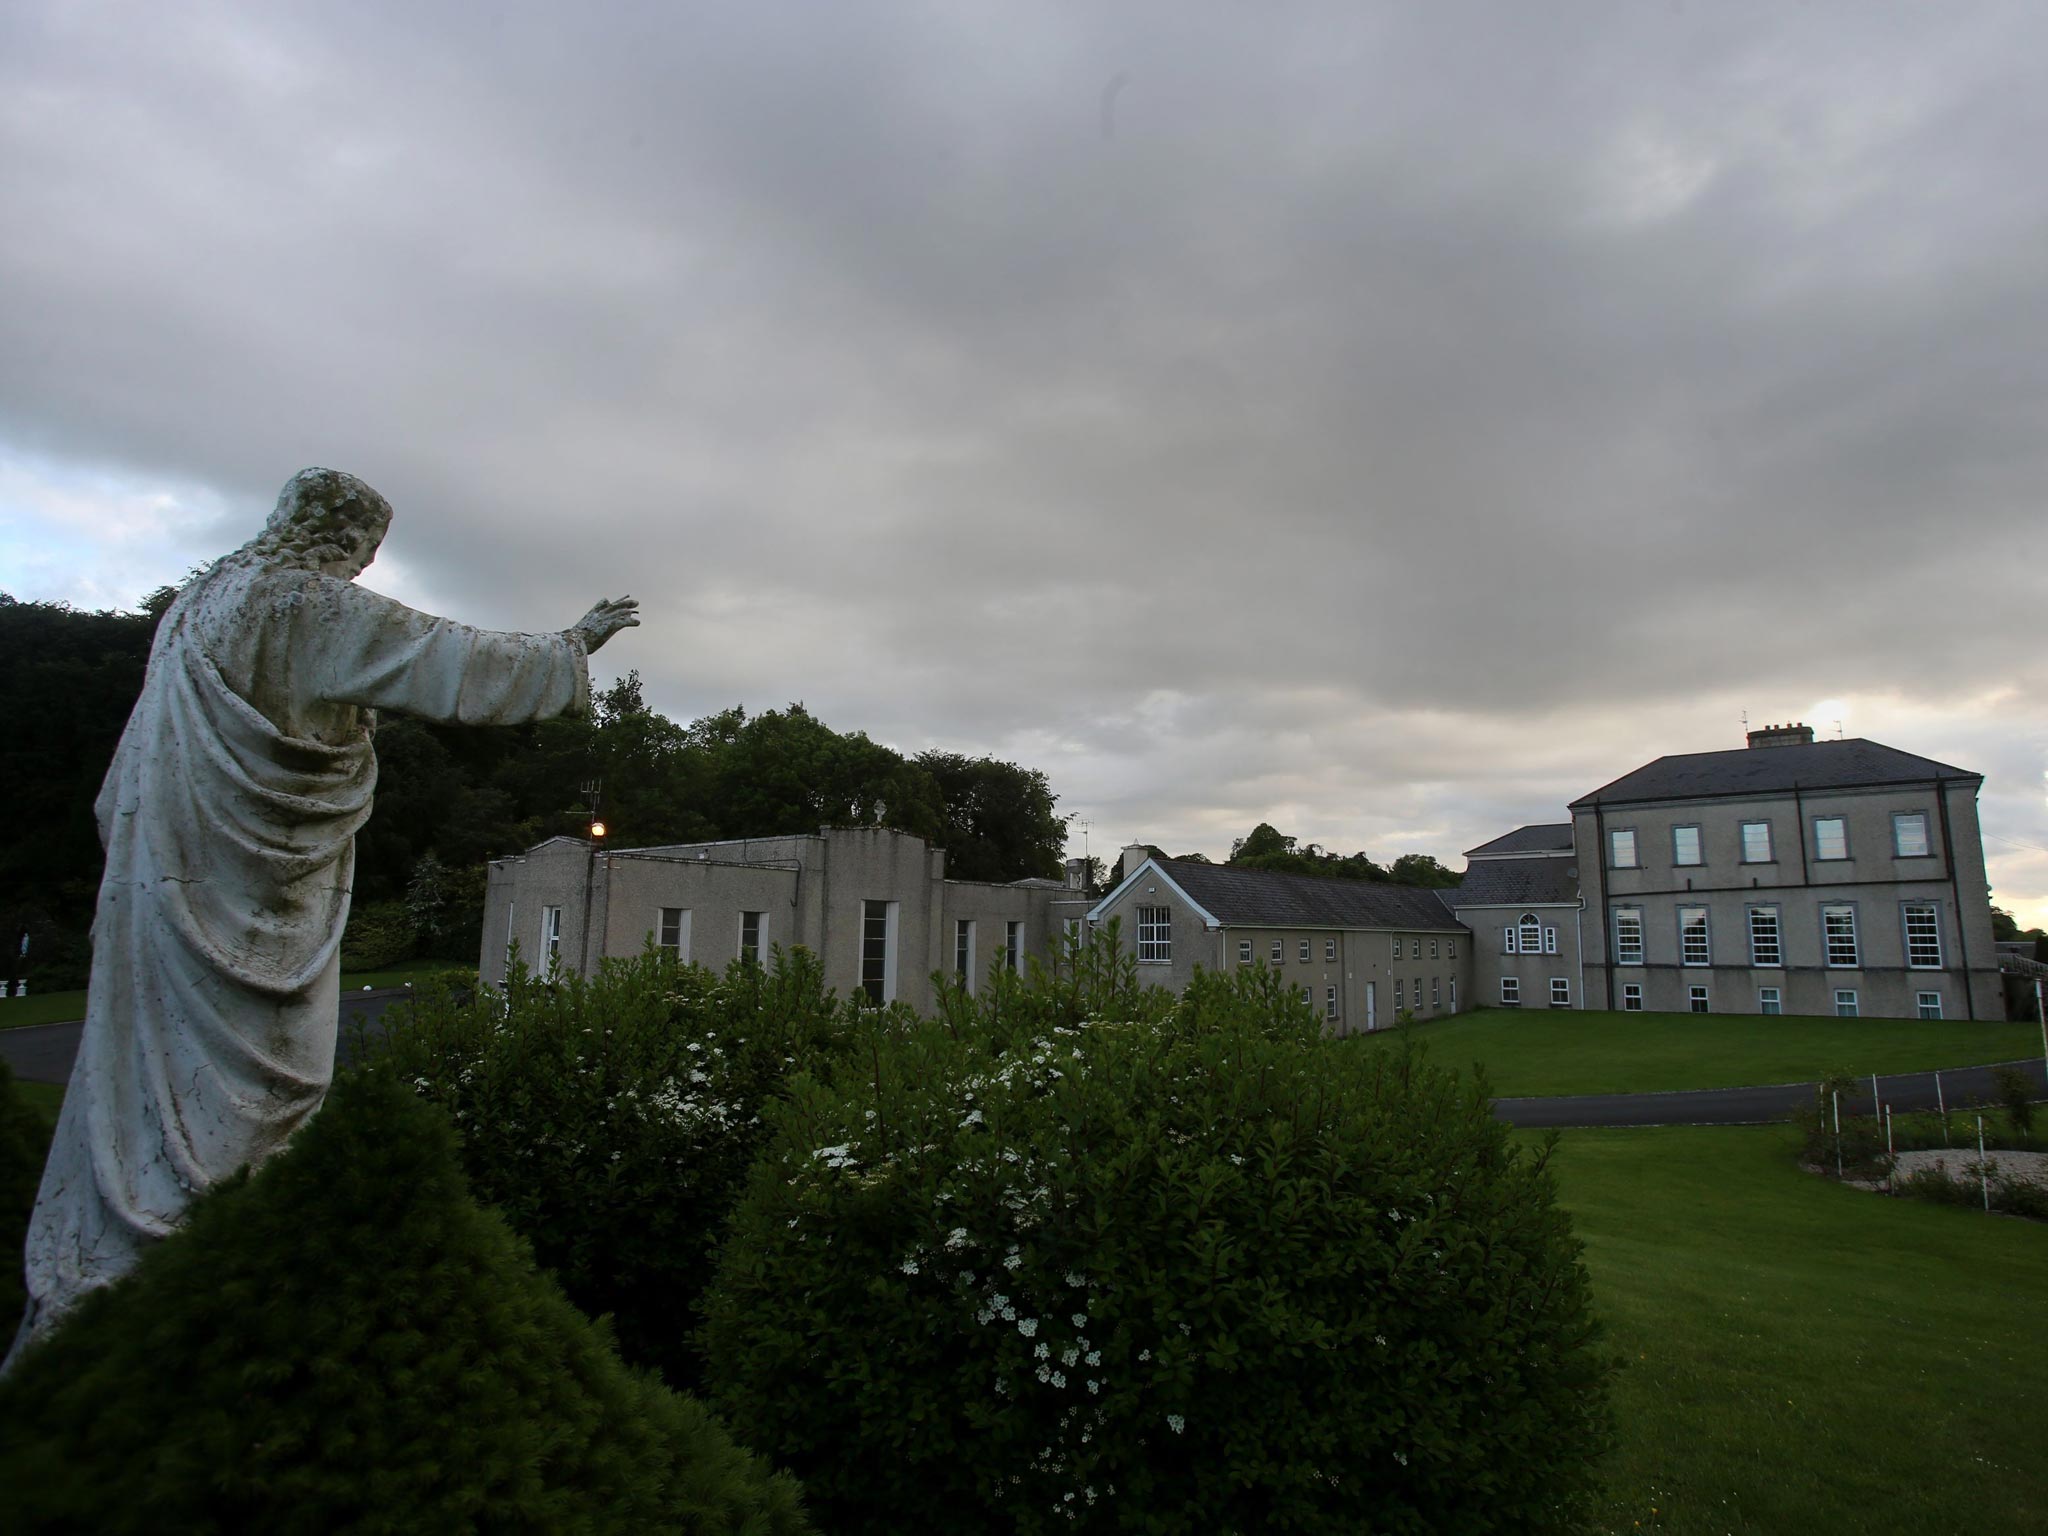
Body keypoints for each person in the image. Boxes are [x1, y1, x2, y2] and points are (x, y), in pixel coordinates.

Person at [7, 468, 637, 1362]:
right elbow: (435, 656)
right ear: (340, 539)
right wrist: (573, 645)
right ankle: (201, 1271)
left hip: (165, 867)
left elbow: (127, 774)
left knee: (146, 1060)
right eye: (363, 552)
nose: (361, 568)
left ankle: (124, 1244)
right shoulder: (299, 604)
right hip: (244, 890)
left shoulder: (198, 603)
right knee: (260, 1086)